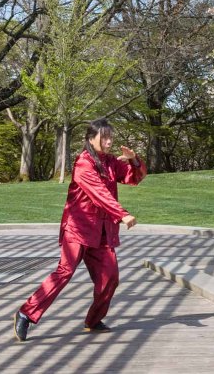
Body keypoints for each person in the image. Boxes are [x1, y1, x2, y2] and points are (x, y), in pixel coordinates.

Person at [14, 118, 146, 342]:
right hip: (78, 228)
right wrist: (122, 214)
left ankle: (94, 320)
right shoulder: (83, 163)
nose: (108, 141)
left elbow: (134, 178)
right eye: (103, 137)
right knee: (64, 272)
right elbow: (99, 194)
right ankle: (26, 313)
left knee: (110, 277)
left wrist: (134, 161)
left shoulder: (111, 162)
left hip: (102, 231)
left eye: (110, 137)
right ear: (90, 138)